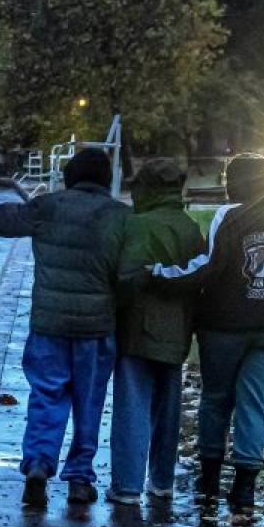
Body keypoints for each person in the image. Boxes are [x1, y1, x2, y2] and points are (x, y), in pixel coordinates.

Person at [0, 148, 129, 507]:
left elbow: (9, 216)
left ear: (70, 176)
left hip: (49, 324)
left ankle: (39, 465)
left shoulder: (49, 207)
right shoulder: (119, 216)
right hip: (97, 327)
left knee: (46, 395)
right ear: (105, 179)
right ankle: (80, 479)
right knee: (89, 403)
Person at [150, 153, 264, 512]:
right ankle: (244, 486)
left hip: (224, 325)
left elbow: (208, 265)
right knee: (256, 403)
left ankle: (208, 479)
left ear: (236, 182)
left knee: (217, 398)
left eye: (227, 177)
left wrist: (160, 275)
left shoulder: (229, 215)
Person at [109, 158, 205, 507]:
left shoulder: (138, 226)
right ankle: (163, 481)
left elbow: (127, 279)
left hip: (137, 329)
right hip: (178, 330)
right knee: (168, 411)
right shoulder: (190, 227)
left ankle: (127, 486)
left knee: (132, 407)